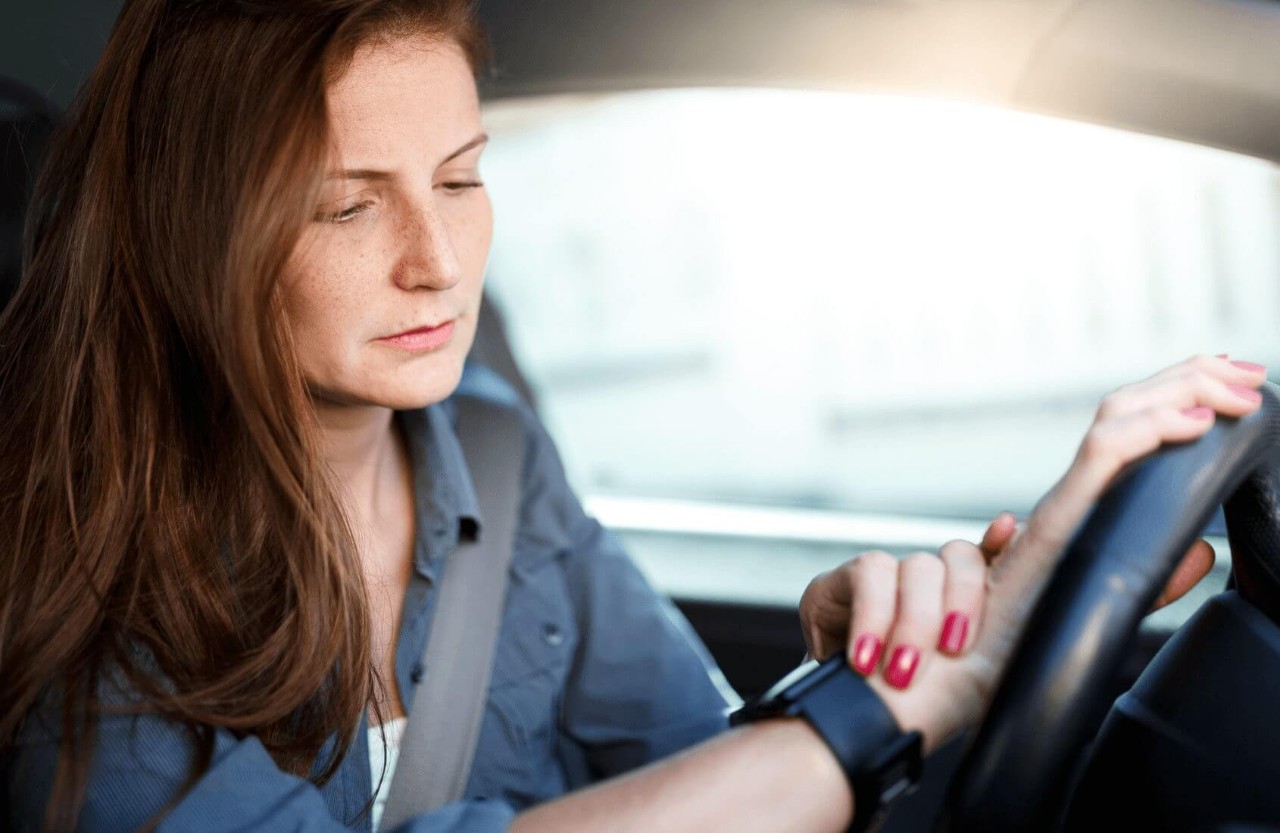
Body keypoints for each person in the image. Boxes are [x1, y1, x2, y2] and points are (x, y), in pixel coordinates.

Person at [0, 0, 1259, 830]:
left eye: (460, 179)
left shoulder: (492, 449)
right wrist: (872, 712)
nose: (438, 260)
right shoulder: (80, 600)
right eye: (348, 206)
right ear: (194, 237)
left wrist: (897, 650)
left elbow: (696, 763)